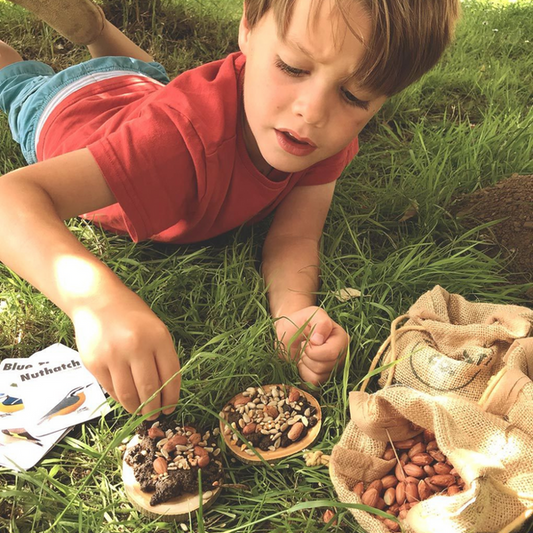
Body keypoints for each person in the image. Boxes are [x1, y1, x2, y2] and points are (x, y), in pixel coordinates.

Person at [0, 0, 460, 419]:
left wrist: (293, 309)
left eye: (355, 96)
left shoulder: (321, 141)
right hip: (70, 113)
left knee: (150, 78)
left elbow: (296, 237)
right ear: (247, 26)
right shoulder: (173, 141)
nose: (313, 111)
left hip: (142, 87)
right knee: (19, 82)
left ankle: (95, 29)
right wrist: (95, 302)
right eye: (293, 67)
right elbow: (11, 199)